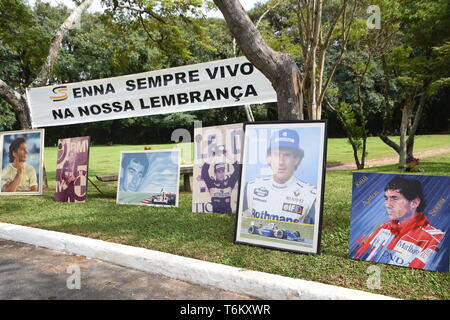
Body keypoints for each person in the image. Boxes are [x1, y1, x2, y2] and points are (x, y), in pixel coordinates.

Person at [351, 176, 446, 270]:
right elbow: (357, 257)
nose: (387, 204)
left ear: (414, 203)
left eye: (395, 198)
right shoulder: (382, 228)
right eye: (386, 198)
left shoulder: (435, 238)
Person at [243, 129, 316, 224]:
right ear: (269, 158)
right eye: (277, 154)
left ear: (296, 159)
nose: (281, 162)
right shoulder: (251, 187)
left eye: (286, 155)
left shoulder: (311, 195)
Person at [201, 148, 241, 213]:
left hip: (228, 213)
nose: (221, 174)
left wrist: (227, 155)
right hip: (216, 213)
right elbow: (204, 171)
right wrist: (212, 156)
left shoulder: (229, 183)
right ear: (215, 173)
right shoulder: (211, 183)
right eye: (219, 172)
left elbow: (238, 169)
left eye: (223, 171)